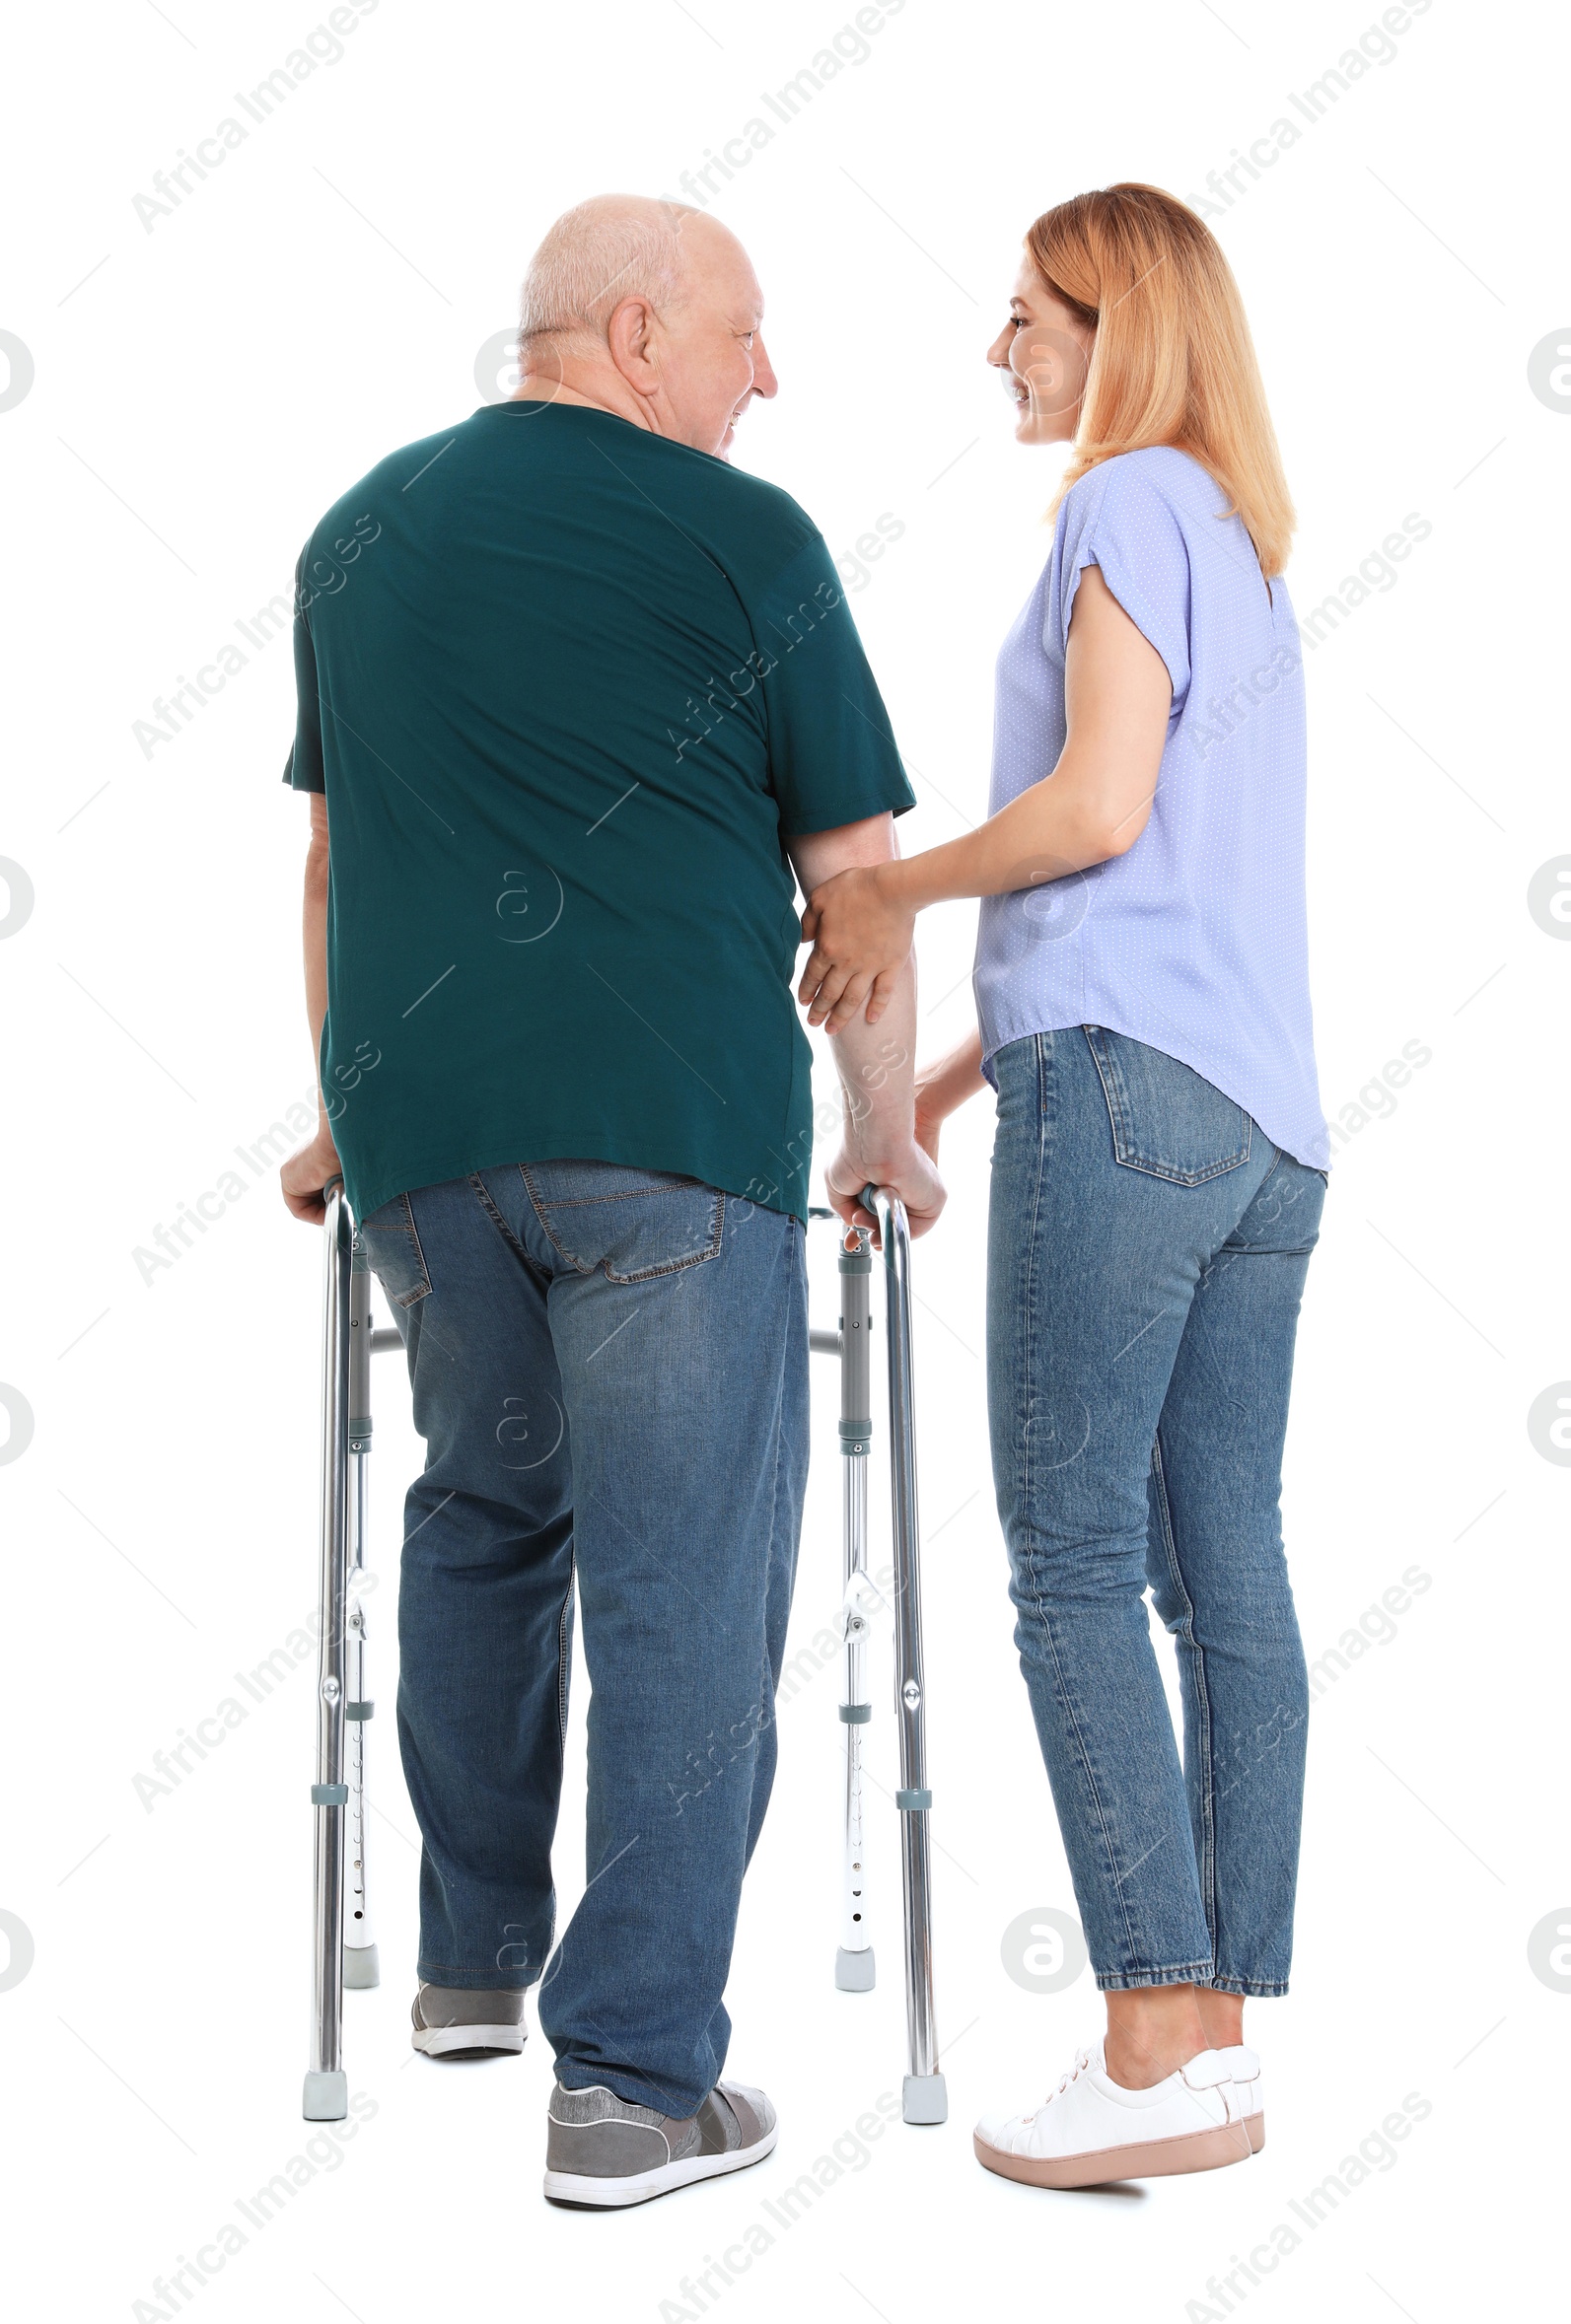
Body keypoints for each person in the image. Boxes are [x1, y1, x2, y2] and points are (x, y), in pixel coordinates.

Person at [277, 193, 942, 2209]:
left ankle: (472, 1966)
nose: (771, 373)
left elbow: (331, 871)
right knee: (683, 1582)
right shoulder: (749, 539)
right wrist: (885, 1128)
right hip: (664, 1133)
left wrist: (343, 1110)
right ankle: (634, 2081)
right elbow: (858, 882)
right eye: (746, 333)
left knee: (483, 1520)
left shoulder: (357, 535)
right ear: (635, 332)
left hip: (430, 1154)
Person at [797, 183, 1328, 2188]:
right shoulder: (1242, 550)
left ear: (1118, 330)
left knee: (1074, 1564)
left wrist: (884, 885)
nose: (998, 347)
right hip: (1255, 1132)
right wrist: (929, 1092)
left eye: (1028, 314)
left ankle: (1137, 2032)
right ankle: (1206, 2038)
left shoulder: (1118, 511)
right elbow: (1154, 890)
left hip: (1124, 1109)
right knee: (1224, 1572)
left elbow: (1090, 816)